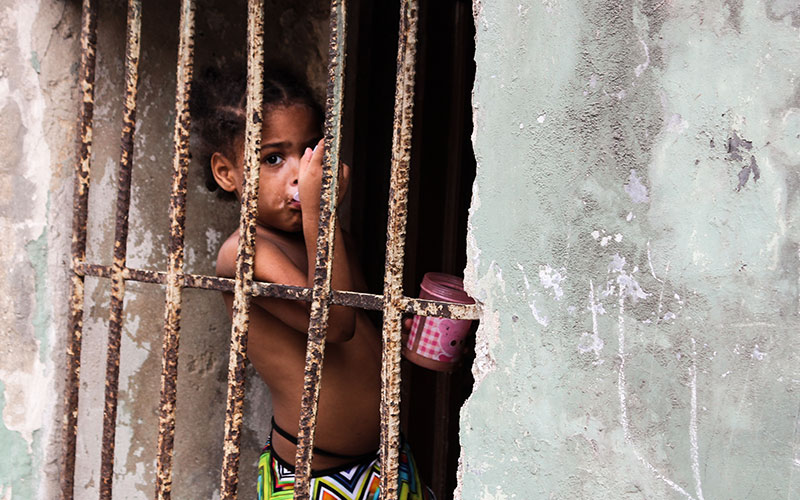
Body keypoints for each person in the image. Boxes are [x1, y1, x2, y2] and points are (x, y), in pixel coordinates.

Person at [191, 66, 434, 500]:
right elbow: (334, 324)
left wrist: (418, 340)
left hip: (386, 463)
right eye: (272, 158)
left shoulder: (329, 240)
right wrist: (320, 216)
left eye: (307, 152)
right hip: (315, 478)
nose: (299, 174)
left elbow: (360, 321)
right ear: (227, 173)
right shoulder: (244, 252)